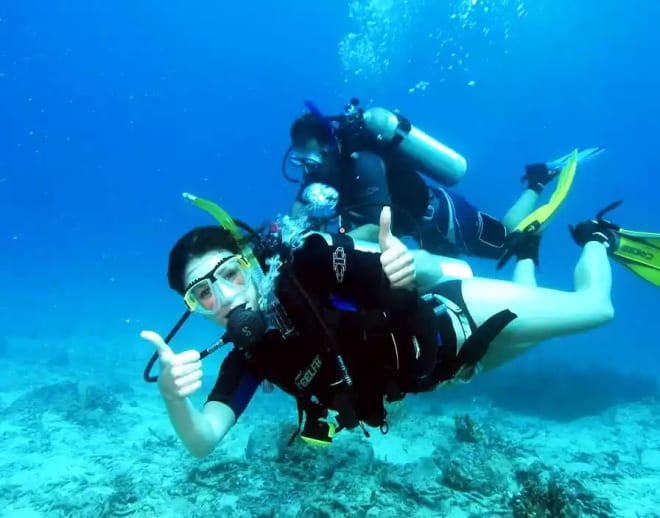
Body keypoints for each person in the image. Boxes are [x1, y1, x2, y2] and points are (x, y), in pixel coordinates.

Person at [140, 188, 652, 459]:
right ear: (193, 307)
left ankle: (596, 237)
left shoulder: (312, 264)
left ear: (250, 263)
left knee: (595, 309)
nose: (224, 297)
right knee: (537, 322)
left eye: (228, 274)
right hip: (453, 372)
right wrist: (173, 398)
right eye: (202, 293)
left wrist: (414, 265)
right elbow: (204, 440)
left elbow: (415, 270)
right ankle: (526, 248)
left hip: (461, 315)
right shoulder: (248, 358)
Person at [283, 98, 604, 263]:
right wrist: (287, 239)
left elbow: (376, 224)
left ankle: (538, 179)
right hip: (419, 235)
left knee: (505, 243)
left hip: (446, 218)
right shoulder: (321, 173)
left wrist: (328, 245)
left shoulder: (362, 163)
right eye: (299, 162)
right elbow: (300, 209)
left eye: (310, 160)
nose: (306, 170)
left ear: (329, 148)